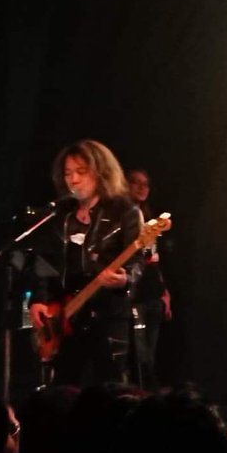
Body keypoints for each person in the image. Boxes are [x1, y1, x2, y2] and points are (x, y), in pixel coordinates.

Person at [29, 140, 142, 386]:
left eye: (81, 172)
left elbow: (136, 263)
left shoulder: (126, 211)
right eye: (68, 173)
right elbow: (44, 262)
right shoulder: (61, 215)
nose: (74, 180)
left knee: (108, 390)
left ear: (101, 172)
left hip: (108, 316)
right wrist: (38, 299)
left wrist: (124, 279)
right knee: (63, 389)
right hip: (66, 317)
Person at [126, 169, 170, 388]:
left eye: (146, 184)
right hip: (134, 295)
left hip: (153, 294)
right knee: (139, 355)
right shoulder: (124, 217)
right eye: (136, 183)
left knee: (149, 354)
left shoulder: (149, 218)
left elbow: (154, 260)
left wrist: (164, 292)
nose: (142, 188)